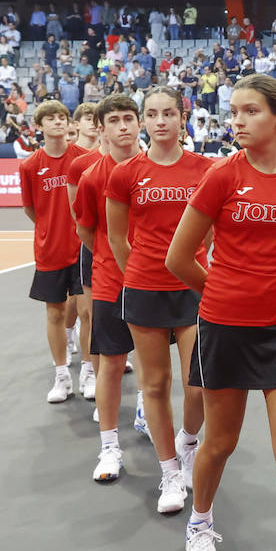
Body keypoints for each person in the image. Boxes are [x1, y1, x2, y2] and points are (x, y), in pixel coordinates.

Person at [165, 75, 276, 551]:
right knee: (220, 442)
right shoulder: (220, 176)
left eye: (250, 111)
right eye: (233, 111)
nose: (236, 120)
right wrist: (228, 291)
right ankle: (201, 523)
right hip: (225, 328)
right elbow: (178, 257)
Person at [105, 86, 212, 512]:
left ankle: (188, 443)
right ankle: (170, 472)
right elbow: (116, 237)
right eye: (153, 113)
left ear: (182, 118)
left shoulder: (205, 169)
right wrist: (143, 270)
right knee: (154, 385)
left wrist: (194, 265)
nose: (161, 120)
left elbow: (211, 231)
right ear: (144, 121)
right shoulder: (126, 173)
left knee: (198, 385)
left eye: (169, 112)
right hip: (145, 289)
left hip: (193, 290)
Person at [74, 94, 142, 482]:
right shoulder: (92, 177)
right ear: (101, 128)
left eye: (129, 118)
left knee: (156, 369)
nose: (123, 126)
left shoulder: (156, 169)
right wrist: (110, 258)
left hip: (155, 284)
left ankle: (151, 417)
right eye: (114, 120)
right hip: (110, 283)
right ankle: (110, 447)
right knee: (112, 364)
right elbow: (85, 229)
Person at [19, 101, 86, 403]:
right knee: (55, 313)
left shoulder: (84, 159)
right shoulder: (30, 166)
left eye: (62, 117)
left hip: (84, 249)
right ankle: (62, 376)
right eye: (51, 119)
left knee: (87, 313)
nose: (58, 122)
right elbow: (31, 209)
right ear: (40, 126)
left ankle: (89, 370)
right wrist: (49, 228)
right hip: (50, 251)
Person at [66, 102, 104, 401]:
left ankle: (109, 367)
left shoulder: (137, 161)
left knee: (128, 320)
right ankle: (89, 369)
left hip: (128, 253)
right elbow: (79, 219)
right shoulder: (81, 165)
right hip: (92, 250)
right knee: (88, 315)